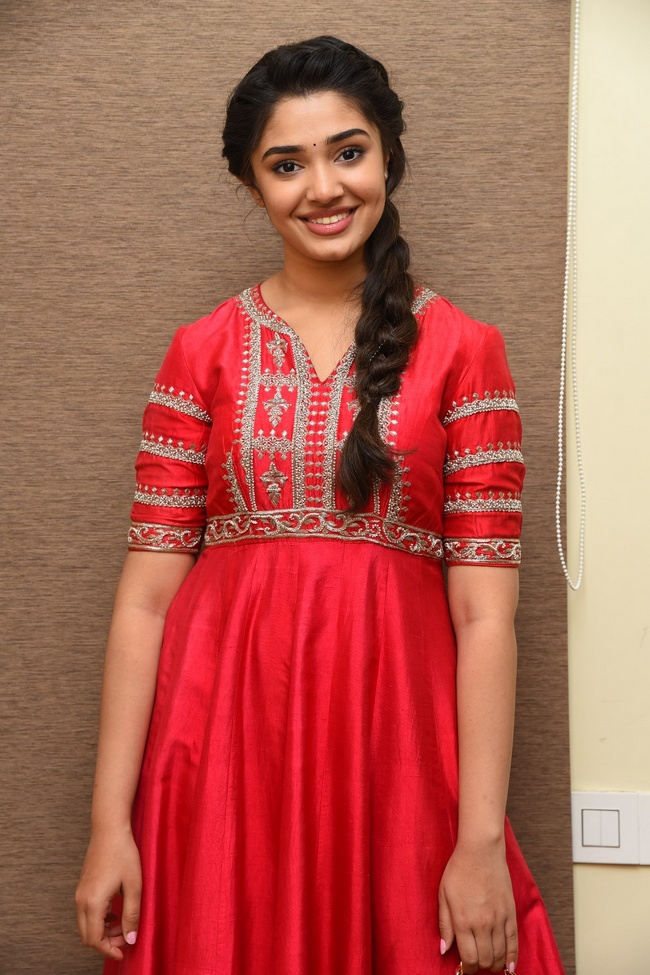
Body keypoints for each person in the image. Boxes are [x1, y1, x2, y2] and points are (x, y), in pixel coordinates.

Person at [75, 35, 565, 975]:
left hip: (398, 760)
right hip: (217, 758)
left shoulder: (466, 350)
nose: (325, 187)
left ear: (388, 155)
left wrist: (478, 840)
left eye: (348, 151)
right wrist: (110, 825)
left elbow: (485, 616)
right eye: (287, 164)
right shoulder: (201, 351)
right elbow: (145, 602)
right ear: (251, 185)